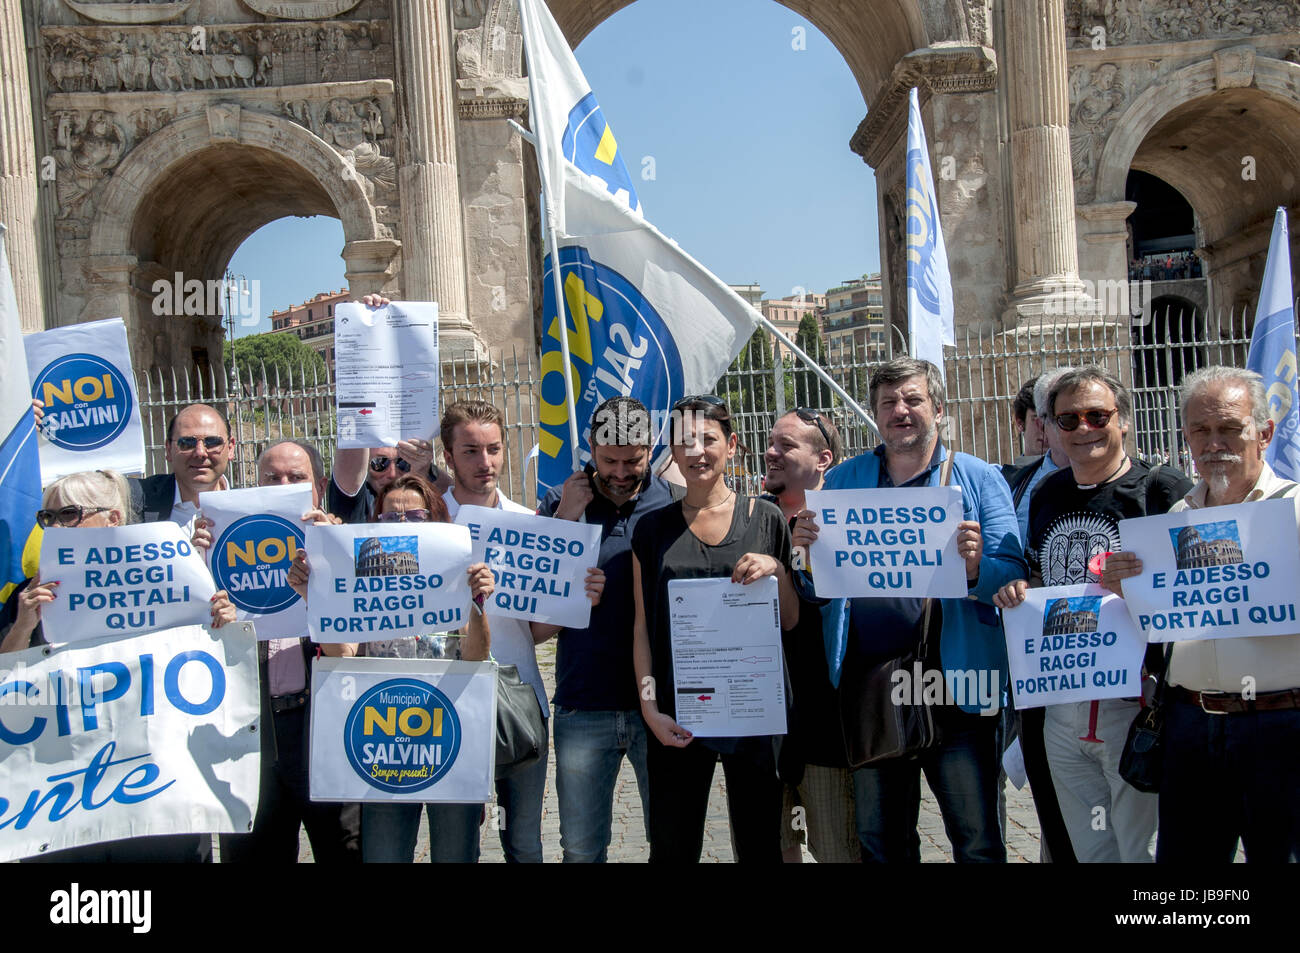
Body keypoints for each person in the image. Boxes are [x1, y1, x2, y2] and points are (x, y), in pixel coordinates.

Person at [792, 357, 1026, 863]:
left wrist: (974, 566)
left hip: (961, 687)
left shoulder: (979, 479)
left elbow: (1012, 574)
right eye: (888, 403)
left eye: (912, 399)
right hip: (874, 687)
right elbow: (816, 589)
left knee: (978, 840)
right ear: (876, 415)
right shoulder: (845, 480)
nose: (901, 410)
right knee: (883, 842)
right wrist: (805, 557)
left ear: (938, 409)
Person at [1101, 366, 1300, 863]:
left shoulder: (1296, 511)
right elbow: (1166, 619)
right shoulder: (1174, 519)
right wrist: (1127, 590)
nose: (1214, 443)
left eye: (1229, 428)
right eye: (1200, 430)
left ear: (1264, 432)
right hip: (1189, 723)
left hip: (1281, 727)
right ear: (1185, 436)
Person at [994, 365, 1191, 862]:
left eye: (1097, 416)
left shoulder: (1165, 490)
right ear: (1051, 427)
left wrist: (1140, 589)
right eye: (1068, 420)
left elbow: (1200, 595)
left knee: (1141, 848)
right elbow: (1041, 578)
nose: (1083, 429)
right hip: (1063, 698)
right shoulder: (1047, 493)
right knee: (1087, 848)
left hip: (1138, 701)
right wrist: (1019, 591)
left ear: (1122, 419)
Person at [0, 468, 237, 862]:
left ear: (113, 518)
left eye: (68, 514)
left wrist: (222, 623)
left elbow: (210, 658)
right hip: (65, 791)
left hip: (154, 783)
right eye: (48, 518)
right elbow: (6, 681)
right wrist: (24, 626)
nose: (56, 527)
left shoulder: (172, 579)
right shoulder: (32, 592)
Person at [288, 473, 495, 862]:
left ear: (434, 520)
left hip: (446, 737)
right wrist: (314, 599)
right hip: (384, 746)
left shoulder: (455, 578)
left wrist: (478, 604)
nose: (402, 525)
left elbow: (476, 658)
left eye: (414, 516)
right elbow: (342, 655)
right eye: (389, 518)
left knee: (456, 854)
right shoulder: (358, 580)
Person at [632, 395, 801, 863]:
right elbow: (643, 629)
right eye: (685, 442)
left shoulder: (765, 519)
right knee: (672, 846)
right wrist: (650, 709)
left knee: (761, 844)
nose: (697, 452)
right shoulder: (649, 530)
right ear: (672, 451)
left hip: (754, 713)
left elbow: (790, 620)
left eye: (708, 439)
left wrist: (778, 571)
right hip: (679, 716)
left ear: (731, 445)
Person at [192, 438, 361, 864]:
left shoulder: (344, 544)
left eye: (297, 478)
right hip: (251, 731)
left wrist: (335, 563)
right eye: (272, 477)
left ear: (319, 487)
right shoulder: (221, 542)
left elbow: (354, 647)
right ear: (257, 482)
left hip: (321, 727)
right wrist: (193, 567)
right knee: (252, 852)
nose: (283, 484)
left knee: (344, 847)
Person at [533, 396, 676, 862]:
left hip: (657, 703)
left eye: (632, 460)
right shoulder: (559, 500)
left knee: (671, 838)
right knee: (580, 848)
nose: (619, 471)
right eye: (608, 459)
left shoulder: (671, 501)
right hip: (583, 702)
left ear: (651, 447)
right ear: (590, 447)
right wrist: (565, 518)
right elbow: (533, 614)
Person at [439, 399, 550, 863]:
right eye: (470, 451)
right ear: (448, 457)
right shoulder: (426, 523)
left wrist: (576, 599)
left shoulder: (529, 524)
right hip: (445, 703)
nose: (485, 462)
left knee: (524, 845)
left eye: (493, 449)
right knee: (456, 848)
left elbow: (536, 629)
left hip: (521, 700)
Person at [762, 409, 860, 863]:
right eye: (770, 443)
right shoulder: (749, 518)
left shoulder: (853, 520)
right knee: (775, 848)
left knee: (838, 848)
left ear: (823, 458)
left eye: (785, 446)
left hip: (826, 720)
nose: (771, 453)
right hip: (761, 721)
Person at [1002, 369, 1077, 863]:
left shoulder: (1153, 486)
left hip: (1103, 667)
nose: (1073, 429)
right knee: (1051, 790)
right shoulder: (1017, 480)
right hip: (1027, 658)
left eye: (1092, 417)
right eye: (1058, 418)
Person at [326, 297, 453, 525]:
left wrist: (423, 468)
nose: (392, 473)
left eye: (403, 463)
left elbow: (454, 489)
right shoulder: (356, 502)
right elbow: (354, 445)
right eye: (379, 464)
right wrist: (360, 324)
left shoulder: (426, 497)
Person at [132, 403, 234, 527]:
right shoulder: (135, 500)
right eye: (187, 443)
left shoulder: (252, 512)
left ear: (230, 448)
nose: (200, 452)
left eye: (212, 442)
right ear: (168, 449)